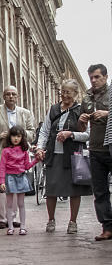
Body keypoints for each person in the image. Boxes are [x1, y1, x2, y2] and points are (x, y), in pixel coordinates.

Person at [36, 79, 91, 234]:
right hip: (54, 155)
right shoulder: (53, 109)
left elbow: (87, 135)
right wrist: (40, 147)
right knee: (51, 189)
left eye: (68, 92)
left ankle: (73, 222)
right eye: (62, 91)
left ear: (75, 93)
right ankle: (51, 220)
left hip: (73, 156)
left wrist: (70, 134)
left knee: (74, 190)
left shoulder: (81, 111)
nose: (64, 95)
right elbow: (45, 131)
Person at [0, 85, 36, 229]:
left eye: (13, 94)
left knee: (16, 186)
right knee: (2, 187)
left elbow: (32, 133)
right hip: (0, 152)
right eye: (8, 94)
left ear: (17, 96)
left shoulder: (25, 113)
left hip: (18, 155)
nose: (11, 96)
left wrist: (20, 134)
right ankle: (2, 219)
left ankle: (13, 218)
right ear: (4, 96)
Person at [81, 64, 112, 240]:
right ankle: (107, 226)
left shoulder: (111, 93)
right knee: (99, 191)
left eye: (97, 77)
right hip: (95, 148)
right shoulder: (86, 98)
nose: (93, 80)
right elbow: (81, 125)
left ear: (106, 77)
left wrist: (107, 114)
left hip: (110, 146)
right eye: (91, 77)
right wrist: (82, 119)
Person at [0, 125, 40, 235]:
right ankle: (10, 226)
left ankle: (23, 226)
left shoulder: (24, 151)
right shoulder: (6, 151)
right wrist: (1, 181)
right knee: (9, 204)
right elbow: (2, 167)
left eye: (18, 136)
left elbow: (27, 166)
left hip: (21, 177)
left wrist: (36, 160)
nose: (16, 138)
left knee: (21, 204)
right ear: (9, 137)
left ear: (22, 137)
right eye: (13, 136)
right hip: (9, 178)